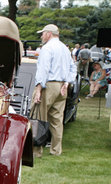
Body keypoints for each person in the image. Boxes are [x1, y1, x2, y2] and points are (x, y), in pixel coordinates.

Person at [32, 24, 76, 157]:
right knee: (57, 120)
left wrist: (39, 88)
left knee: (38, 117)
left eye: (43, 33)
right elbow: (73, 68)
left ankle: (36, 152)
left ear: (49, 34)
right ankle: (56, 150)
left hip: (49, 85)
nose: (41, 36)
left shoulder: (47, 48)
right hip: (62, 87)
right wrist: (67, 83)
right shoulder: (65, 48)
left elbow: (43, 69)